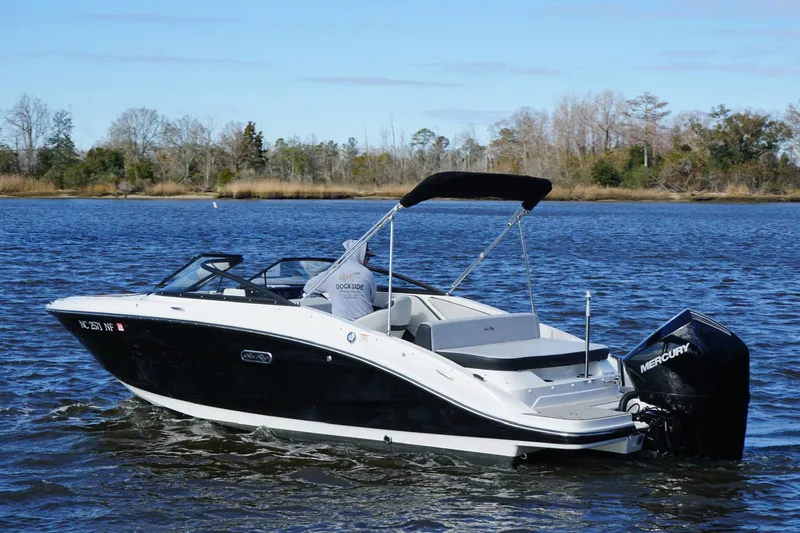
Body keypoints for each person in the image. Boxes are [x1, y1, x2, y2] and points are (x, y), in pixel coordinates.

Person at [302, 239, 376, 320]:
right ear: (359, 255)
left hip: (341, 323)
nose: (368, 260)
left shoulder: (331, 272)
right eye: (367, 257)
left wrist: (326, 300)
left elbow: (308, 288)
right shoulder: (367, 273)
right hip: (366, 322)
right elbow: (372, 299)